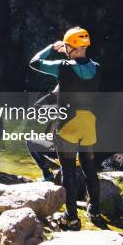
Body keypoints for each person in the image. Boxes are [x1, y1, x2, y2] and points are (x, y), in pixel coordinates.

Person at [30, 27, 101, 230]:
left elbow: (34, 62)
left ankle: (71, 217)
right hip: (88, 124)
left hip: (68, 125)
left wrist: (52, 48)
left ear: (69, 46)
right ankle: (95, 210)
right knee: (89, 169)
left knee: (68, 171)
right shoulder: (97, 67)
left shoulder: (62, 66)